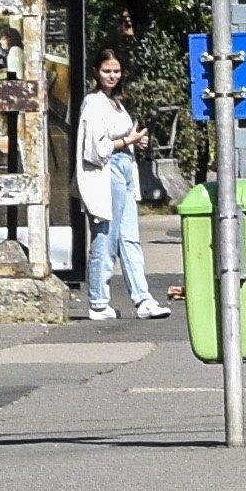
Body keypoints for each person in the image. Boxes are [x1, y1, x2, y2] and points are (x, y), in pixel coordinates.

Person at [76, 50, 166, 322]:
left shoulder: (117, 103)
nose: (112, 76)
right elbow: (96, 147)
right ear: (96, 72)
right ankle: (99, 302)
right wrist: (129, 141)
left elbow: (123, 136)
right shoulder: (93, 103)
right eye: (106, 71)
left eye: (116, 71)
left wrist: (135, 141)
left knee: (129, 237)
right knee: (106, 236)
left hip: (126, 169)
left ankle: (143, 299)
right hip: (108, 171)